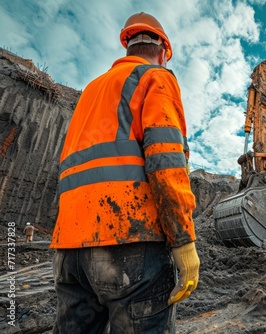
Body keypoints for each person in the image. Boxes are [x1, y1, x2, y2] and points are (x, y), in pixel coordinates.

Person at [50, 12, 200, 333]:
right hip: (131, 241)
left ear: (128, 45)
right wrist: (183, 239)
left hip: (70, 247)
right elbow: (166, 159)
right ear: (162, 49)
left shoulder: (91, 91)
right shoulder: (155, 77)